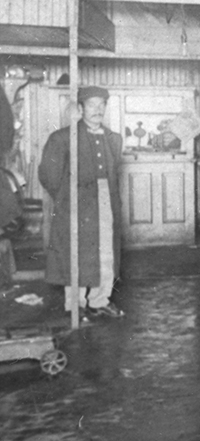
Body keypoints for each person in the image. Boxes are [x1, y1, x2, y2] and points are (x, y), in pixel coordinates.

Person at [38, 85, 125, 318]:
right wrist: (67, 198)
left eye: (102, 105)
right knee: (75, 251)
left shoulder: (113, 139)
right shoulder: (62, 138)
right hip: (75, 201)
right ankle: (75, 305)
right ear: (80, 108)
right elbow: (48, 175)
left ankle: (99, 300)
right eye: (92, 105)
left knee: (105, 250)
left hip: (106, 199)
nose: (98, 110)